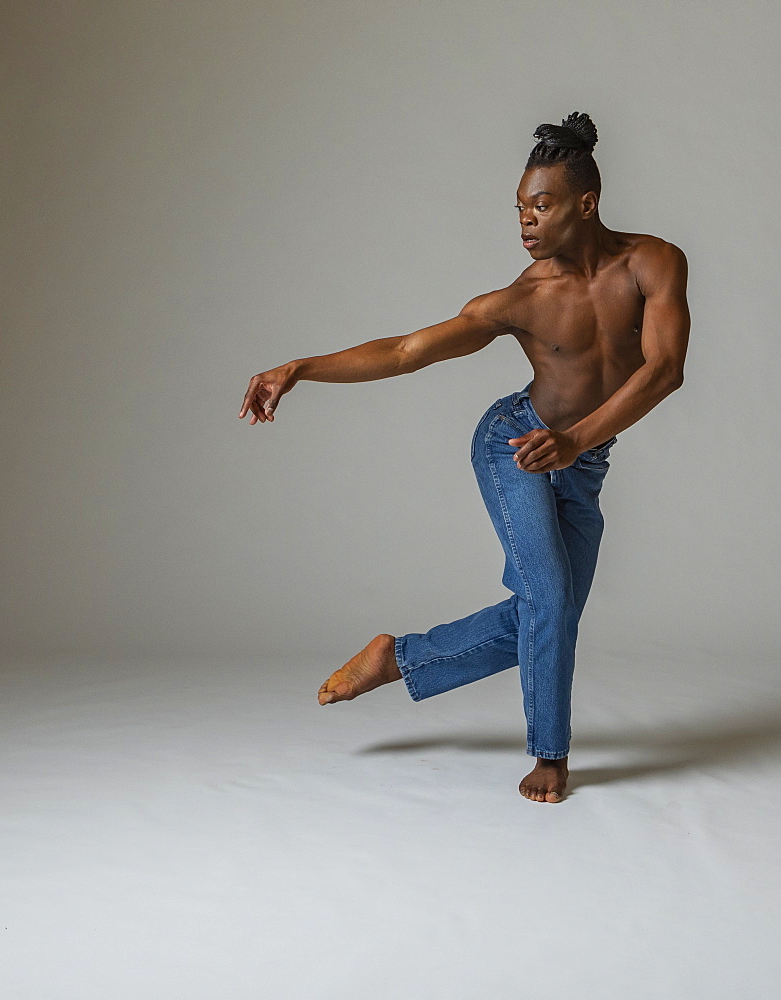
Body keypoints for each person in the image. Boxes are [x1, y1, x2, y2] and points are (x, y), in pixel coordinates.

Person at [238, 111, 690, 803]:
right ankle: (550, 755)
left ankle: (399, 658)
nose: (525, 221)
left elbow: (663, 371)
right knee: (549, 600)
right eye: (519, 208)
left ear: (586, 202)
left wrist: (578, 442)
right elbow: (405, 351)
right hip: (514, 444)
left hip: (581, 459)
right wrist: (301, 367)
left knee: (550, 614)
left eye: (540, 204)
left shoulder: (655, 262)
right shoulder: (522, 299)